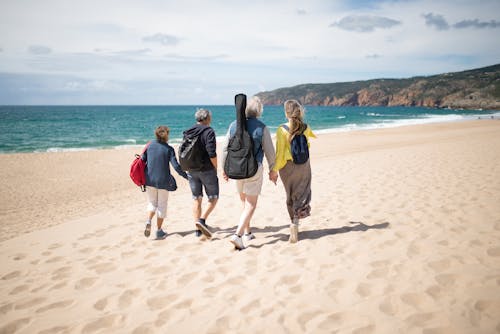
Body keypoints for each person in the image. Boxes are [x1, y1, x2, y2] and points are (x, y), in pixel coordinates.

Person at [222, 96, 277, 250]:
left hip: (236, 169)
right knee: (251, 204)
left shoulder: (234, 125)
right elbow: (270, 152)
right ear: (259, 111)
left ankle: (247, 232)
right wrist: (273, 170)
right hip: (254, 169)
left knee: (244, 202)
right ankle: (238, 235)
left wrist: (224, 169)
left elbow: (225, 149)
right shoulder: (261, 127)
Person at [272, 99, 316, 243]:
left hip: (287, 167)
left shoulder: (281, 129)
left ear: (286, 113)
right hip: (303, 164)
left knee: (290, 196)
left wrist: (274, 170)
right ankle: (295, 223)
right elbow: (309, 142)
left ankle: (292, 222)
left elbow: (279, 154)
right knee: (302, 194)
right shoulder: (305, 127)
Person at [143, 125, 188, 239]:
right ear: (166, 135)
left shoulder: (149, 145)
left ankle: (148, 221)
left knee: (152, 203)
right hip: (163, 181)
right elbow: (176, 166)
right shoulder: (169, 149)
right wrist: (186, 176)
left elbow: (142, 161)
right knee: (162, 205)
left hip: (149, 179)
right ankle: (159, 230)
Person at [182, 108, 219, 239]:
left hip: (191, 169)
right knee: (213, 197)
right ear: (207, 118)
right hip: (206, 169)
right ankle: (201, 221)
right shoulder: (209, 131)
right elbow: (211, 152)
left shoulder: (188, 131)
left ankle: (197, 230)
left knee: (196, 198)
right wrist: (216, 167)